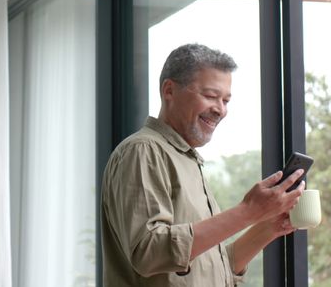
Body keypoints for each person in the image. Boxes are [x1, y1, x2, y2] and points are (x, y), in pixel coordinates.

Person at [101, 43, 305, 286]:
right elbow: (149, 253)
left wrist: (269, 227)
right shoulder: (143, 151)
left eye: (226, 100)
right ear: (169, 90)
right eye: (210, 96)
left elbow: (213, 270)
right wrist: (248, 210)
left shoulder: (187, 159)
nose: (220, 109)